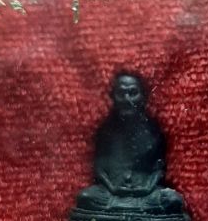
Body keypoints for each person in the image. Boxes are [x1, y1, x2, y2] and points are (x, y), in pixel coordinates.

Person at [76, 71, 185, 213]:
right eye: (121, 93)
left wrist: (147, 188)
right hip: (112, 194)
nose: (127, 99)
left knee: (172, 200)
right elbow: (100, 167)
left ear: (143, 96)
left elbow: (159, 169)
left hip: (146, 195)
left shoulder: (153, 130)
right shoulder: (106, 130)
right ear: (113, 96)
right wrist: (112, 188)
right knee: (86, 197)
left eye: (133, 93)